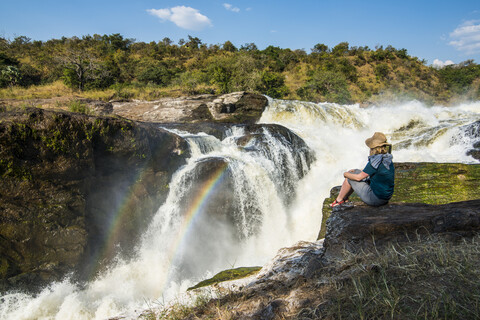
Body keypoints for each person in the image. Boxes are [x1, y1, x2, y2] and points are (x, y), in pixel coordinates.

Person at [330, 132, 394, 207]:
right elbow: (371, 172)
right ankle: (344, 198)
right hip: (386, 197)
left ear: (373, 148)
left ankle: (339, 200)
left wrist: (345, 174)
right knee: (356, 171)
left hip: (376, 199)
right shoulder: (387, 158)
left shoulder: (375, 161)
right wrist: (355, 171)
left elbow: (358, 177)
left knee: (349, 178)